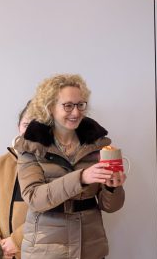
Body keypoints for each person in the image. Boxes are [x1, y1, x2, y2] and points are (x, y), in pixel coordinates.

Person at [14, 74, 126, 259]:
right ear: (50, 107)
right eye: (68, 105)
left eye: (80, 105)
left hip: (90, 248)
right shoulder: (31, 145)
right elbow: (34, 198)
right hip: (46, 250)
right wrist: (81, 178)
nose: (76, 112)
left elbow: (110, 207)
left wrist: (112, 187)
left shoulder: (97, 144)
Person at [0, 101, 31, 259]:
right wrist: (1, 248)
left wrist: (16, 240)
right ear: (19, 126)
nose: (30, 131)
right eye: (26, 124)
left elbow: (53, 214)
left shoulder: (53, 166)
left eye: (37, 126)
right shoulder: (1, 164)